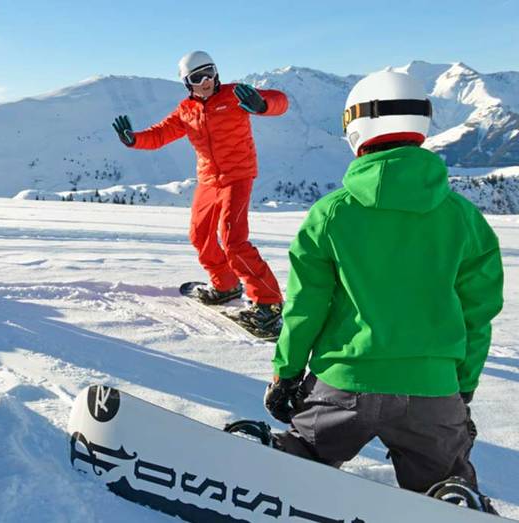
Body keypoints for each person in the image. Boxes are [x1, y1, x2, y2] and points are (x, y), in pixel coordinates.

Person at [264, 71, 503, 506]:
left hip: (344, 383)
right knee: (446, 482)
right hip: (431, 389)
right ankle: (455, 501)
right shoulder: (464, 218)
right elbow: (477, 313)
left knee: (303, 452)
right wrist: (460, 383)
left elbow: (306, 306)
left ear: (355, 125)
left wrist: (286, 372)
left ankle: (269, 462)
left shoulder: (330, 215)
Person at [112, 51, 288, 332]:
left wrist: (262, 104)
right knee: (200, 234)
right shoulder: (187, 110)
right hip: (209, 180)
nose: (207, 80)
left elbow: (281, 100)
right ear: (187, 82)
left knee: (233, 241)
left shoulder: (235, 95)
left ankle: (268, 303)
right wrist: (134, 140)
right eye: (198, 77)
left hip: (238, 175)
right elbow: (160, 134)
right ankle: (225, 285)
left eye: (211, 72)